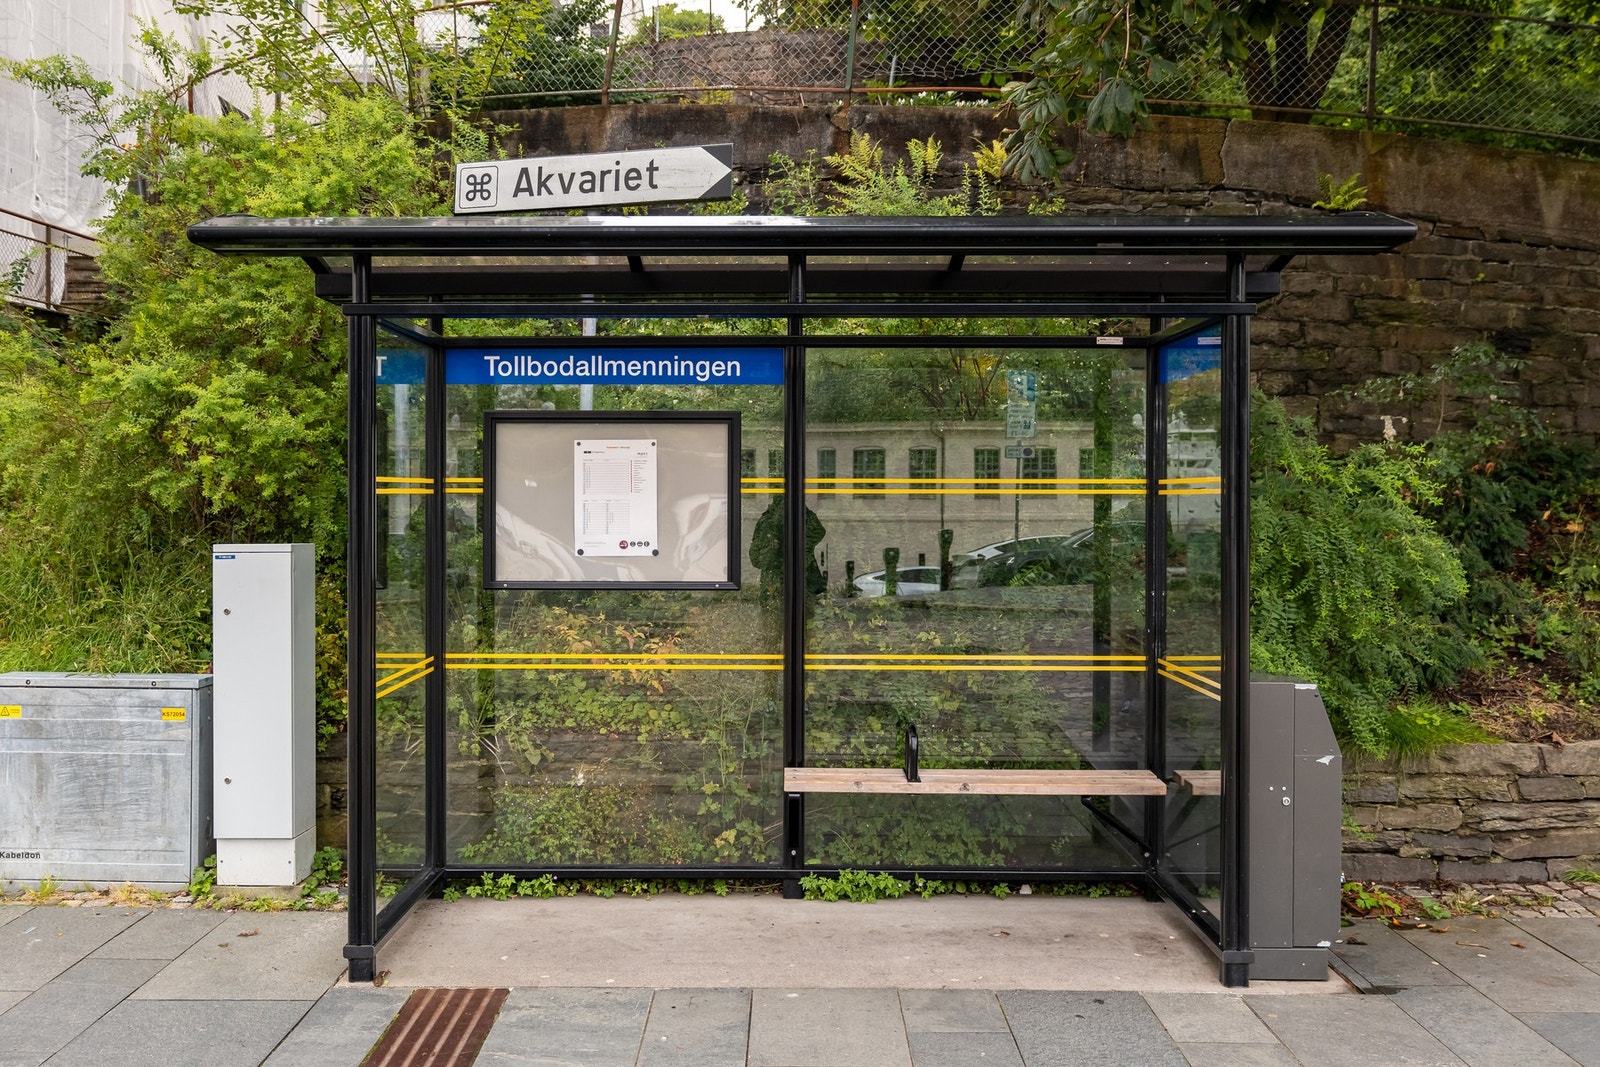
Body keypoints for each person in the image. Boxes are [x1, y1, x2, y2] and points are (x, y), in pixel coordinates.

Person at [748, 498, 827, 601]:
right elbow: (755, 555)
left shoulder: (802, 515)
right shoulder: (766, 521)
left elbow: (819, 531)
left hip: (799, 577)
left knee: (802, 609)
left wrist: (801, 548)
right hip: (775, 578)